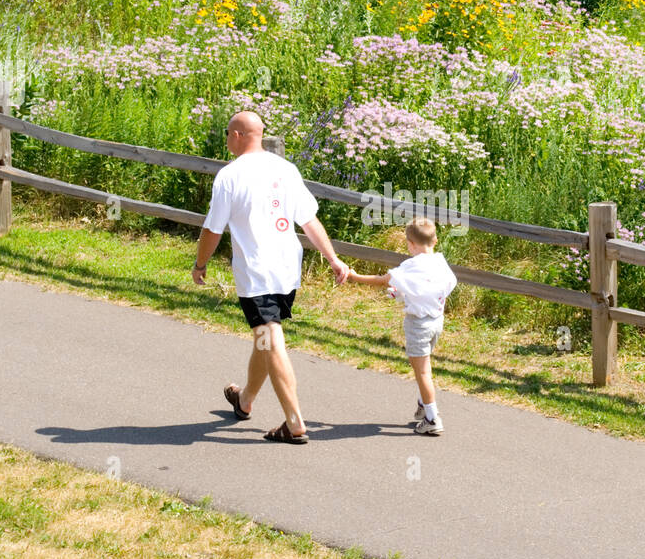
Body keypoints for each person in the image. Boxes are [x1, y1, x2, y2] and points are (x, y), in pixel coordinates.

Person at [192, 111, 349, 444]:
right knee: (264, 338)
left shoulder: (229, 176)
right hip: (288, 271)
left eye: (226, 133)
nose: (226, 138)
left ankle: (295, 424)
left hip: (256, 273)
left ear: (236, 135)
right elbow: (309, 221)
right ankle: (245, 398)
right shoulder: (286, 169)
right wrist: (332, 258)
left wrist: (200, 264)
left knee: (271, 340)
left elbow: (212, 229)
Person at [346, 216, 457, 435]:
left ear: (410, 243)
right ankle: (423, 403)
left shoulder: (410, 265)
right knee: (422, 367)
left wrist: (354, 277)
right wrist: (403, 292)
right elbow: (440, 285)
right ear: (435, 241)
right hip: (436, 322)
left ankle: (432, 419)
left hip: (418, 326)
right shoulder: (439, 262)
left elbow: (382, 280)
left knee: (423, 373)